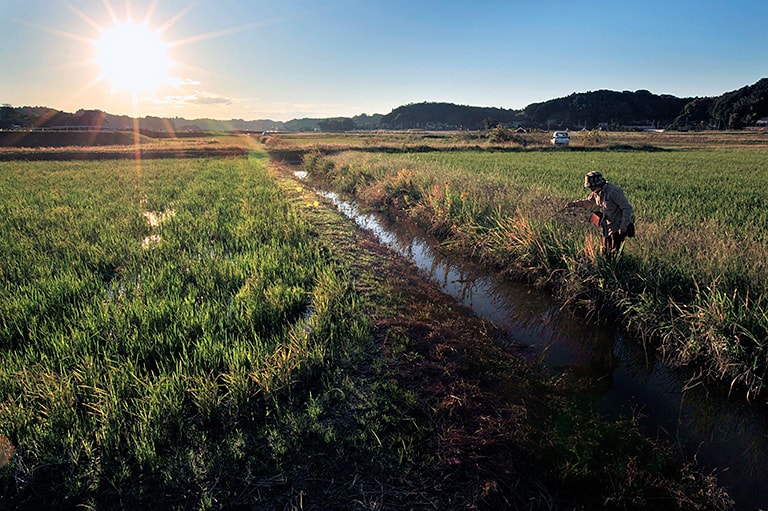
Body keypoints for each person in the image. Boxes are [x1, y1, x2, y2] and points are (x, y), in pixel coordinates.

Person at [565, 171, 634, 254]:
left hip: (618, 226)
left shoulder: (613, 191)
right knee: (605, 251)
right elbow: (589, 202)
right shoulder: (596, 192)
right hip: (607, 226)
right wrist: (574, 204)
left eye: (592, 187)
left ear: (599, 184)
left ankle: (619, 266)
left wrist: (623, 226)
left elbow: (627, 208)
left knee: (615, 252)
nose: (591, 189)